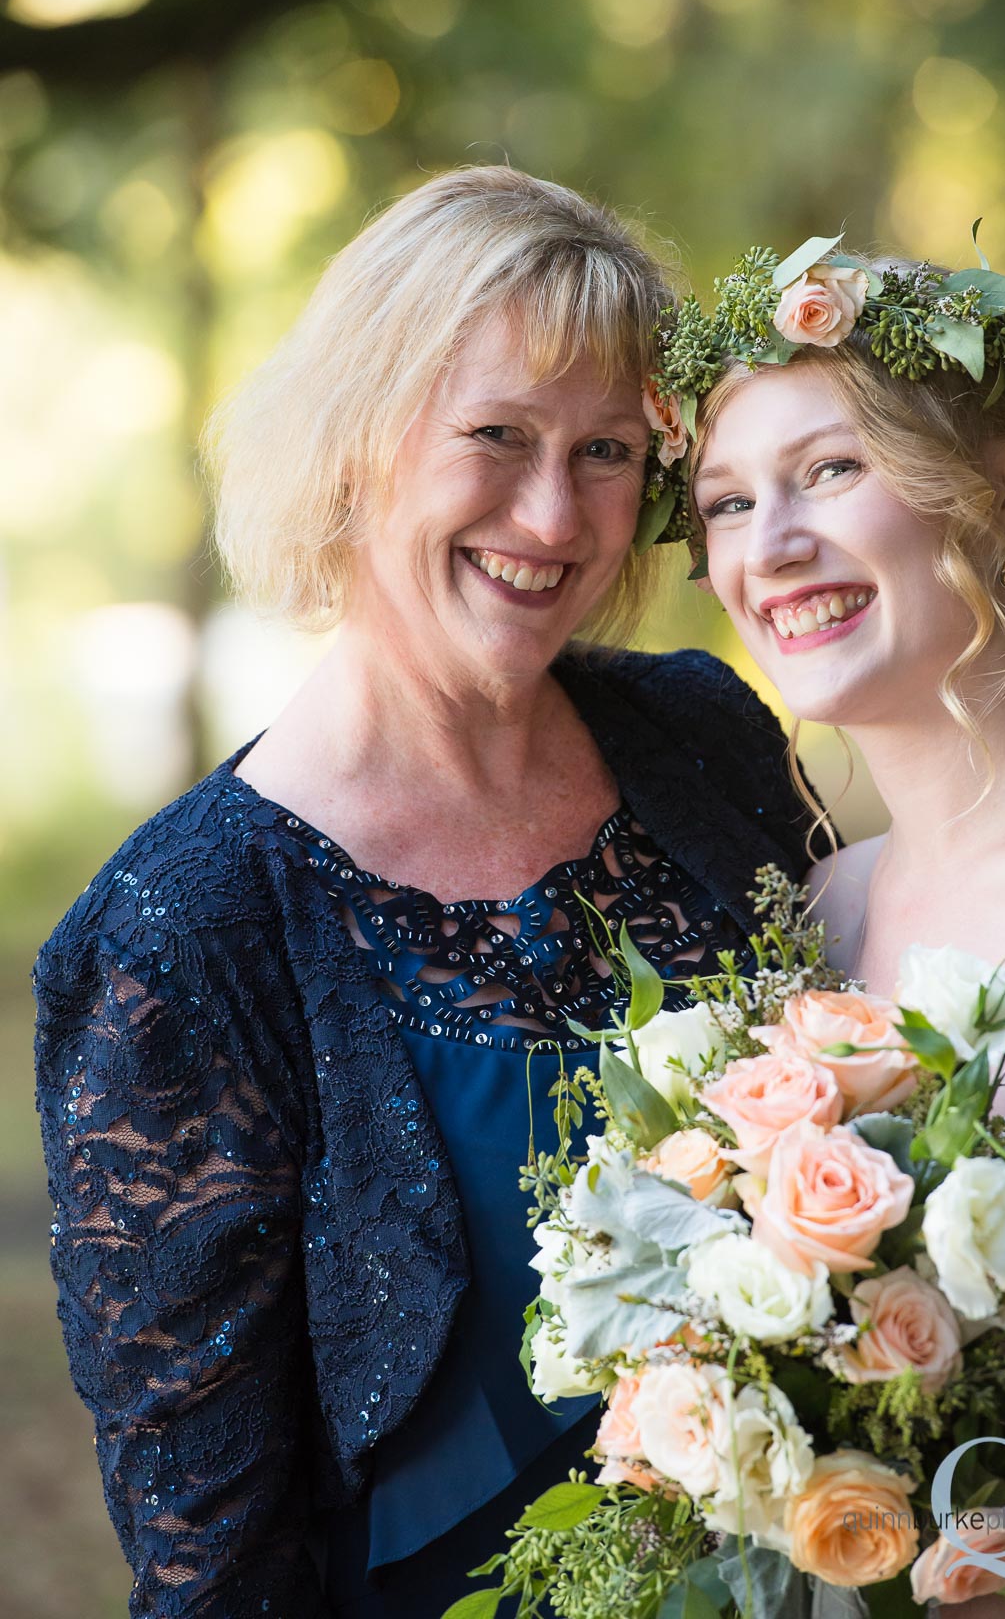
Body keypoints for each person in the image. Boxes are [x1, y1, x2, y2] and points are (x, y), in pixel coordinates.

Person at [32, 167, 829, 1619]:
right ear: (354, 442)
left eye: (604, 450)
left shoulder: (702, 739)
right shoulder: (186, 928)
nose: (554, 513)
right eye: (495, 435)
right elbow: (213, 1553)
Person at [672, 234, 1005, 1617]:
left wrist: (983, 1578)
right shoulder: (826, 904)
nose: (769, 547)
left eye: (830, 472)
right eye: (724, 504)